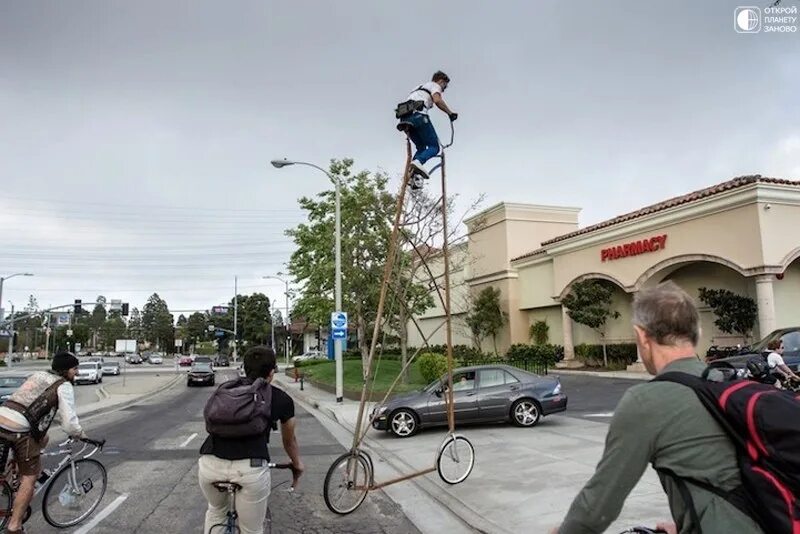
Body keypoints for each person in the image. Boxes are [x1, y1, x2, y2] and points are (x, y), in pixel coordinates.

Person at [550, 281, 764, 534]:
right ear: (697, 332)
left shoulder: (646, 401)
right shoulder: (727, 384)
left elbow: (598, 506)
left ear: (642, 335)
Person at [198, 346, 304, 534]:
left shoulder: (227, 390)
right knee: (251, 529)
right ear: (272, 372)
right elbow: (289, 441)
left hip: (209, 464)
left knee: (216, 512)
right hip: (250, 469)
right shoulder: (281, 399)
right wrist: (297, 465)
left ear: (245, 368)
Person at [0, 351, 87, 534]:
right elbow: (70, 424)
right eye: (74, 368)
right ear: (65, 370)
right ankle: (14, 526)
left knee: (43, 439)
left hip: (2, 417)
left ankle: (10, 478)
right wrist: (80, 434)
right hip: (18, 429)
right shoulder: (63, 386)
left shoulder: (39, 374)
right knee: (30, 478)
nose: (77, 373)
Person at [396, 70, 458, 189]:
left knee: (421, 148)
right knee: (434, 147)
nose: (444, 89)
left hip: (405, 119)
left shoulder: (417, 88)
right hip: (418, 116)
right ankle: (418, 162)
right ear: (441, 81)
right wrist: (450, 113)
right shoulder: (434, 85)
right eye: (445, 85)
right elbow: (437, 100)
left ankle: (412, 175)